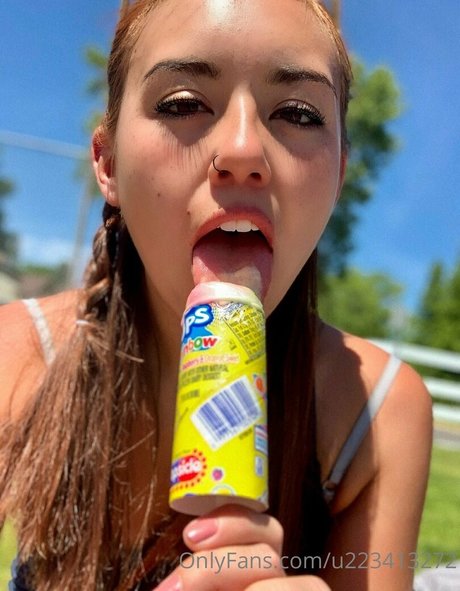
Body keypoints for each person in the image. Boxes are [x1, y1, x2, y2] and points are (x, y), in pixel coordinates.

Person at [0, 1, 433, 589]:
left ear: (338, 177)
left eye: (299, 113)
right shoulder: (15, 358)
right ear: (107, 164)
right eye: (182, 103)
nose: (243, 150)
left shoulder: (377, 417)